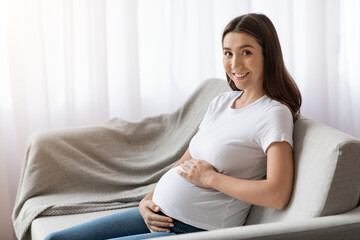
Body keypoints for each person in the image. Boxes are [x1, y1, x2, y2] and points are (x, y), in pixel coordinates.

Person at [44, 13, 302, 240]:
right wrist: (148, 201)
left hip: (194, 228)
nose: (235, 64)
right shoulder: (223, 101)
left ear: (268, 55)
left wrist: (211, 178)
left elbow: (277, 194)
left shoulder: (273, 113)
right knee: (55, 239)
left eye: (246, 52)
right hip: (158, 214)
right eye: (227, 53)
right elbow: (186, 161)